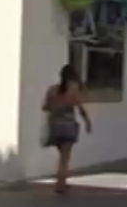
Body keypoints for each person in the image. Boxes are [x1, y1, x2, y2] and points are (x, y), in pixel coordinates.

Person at [43, 65, 92, 194]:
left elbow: (46, 107)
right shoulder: (73, 91)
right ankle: (61, 184)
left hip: (54, 126)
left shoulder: (51, 90)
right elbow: (81, 109)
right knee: (64, 159)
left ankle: (61, 182)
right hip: (68, 127)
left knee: (62, 157)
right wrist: (88, 122)